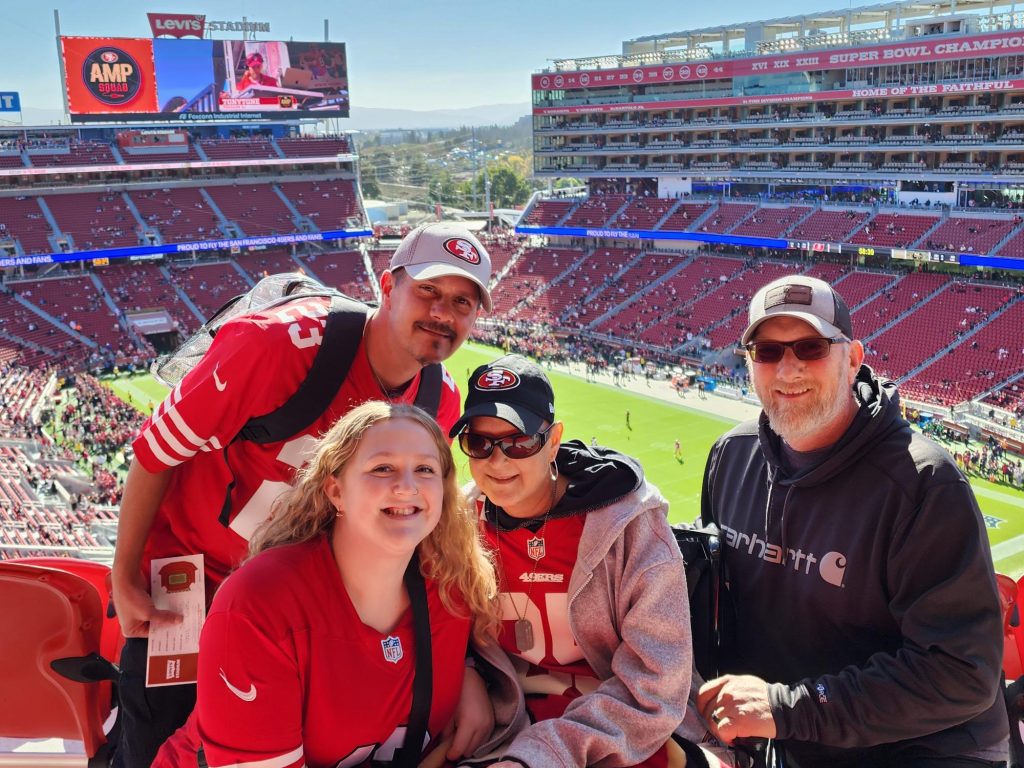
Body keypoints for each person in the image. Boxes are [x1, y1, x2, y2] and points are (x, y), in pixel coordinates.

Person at [111, 222, 493, 767]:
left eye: (462, 302)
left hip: (300, 611)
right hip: (192, 583)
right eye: (427, 291)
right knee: (160, 742)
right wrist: (124, 574)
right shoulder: (274, 346)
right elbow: (155, 452)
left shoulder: (438, 398)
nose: (442, 312)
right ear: (387, 287)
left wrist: (467, 670)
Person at [696, 275, 1007, 767]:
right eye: (767, 351)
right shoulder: (731, 458)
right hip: (798, 736)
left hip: (925, 747)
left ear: (854, 358)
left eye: (811, 347)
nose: (788, 367)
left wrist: (787, 708)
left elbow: (961, 672)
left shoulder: (923, 482)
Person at [153, 402, 507, 767]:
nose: (407, 487)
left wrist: (470, 673)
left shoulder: (452, 585)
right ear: (336, 491)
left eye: (425, 469)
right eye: (382, 468)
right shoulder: (261, 602)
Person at [450, 355, 724, 767]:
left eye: (519, 442)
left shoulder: (630, 526)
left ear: (555, 440)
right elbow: (435, 624)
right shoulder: (459, 521)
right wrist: (466, 672)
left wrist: (540, 756)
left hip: (620, 732)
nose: (498, 461)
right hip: (506, 720)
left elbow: (654, 687)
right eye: (479, 443)